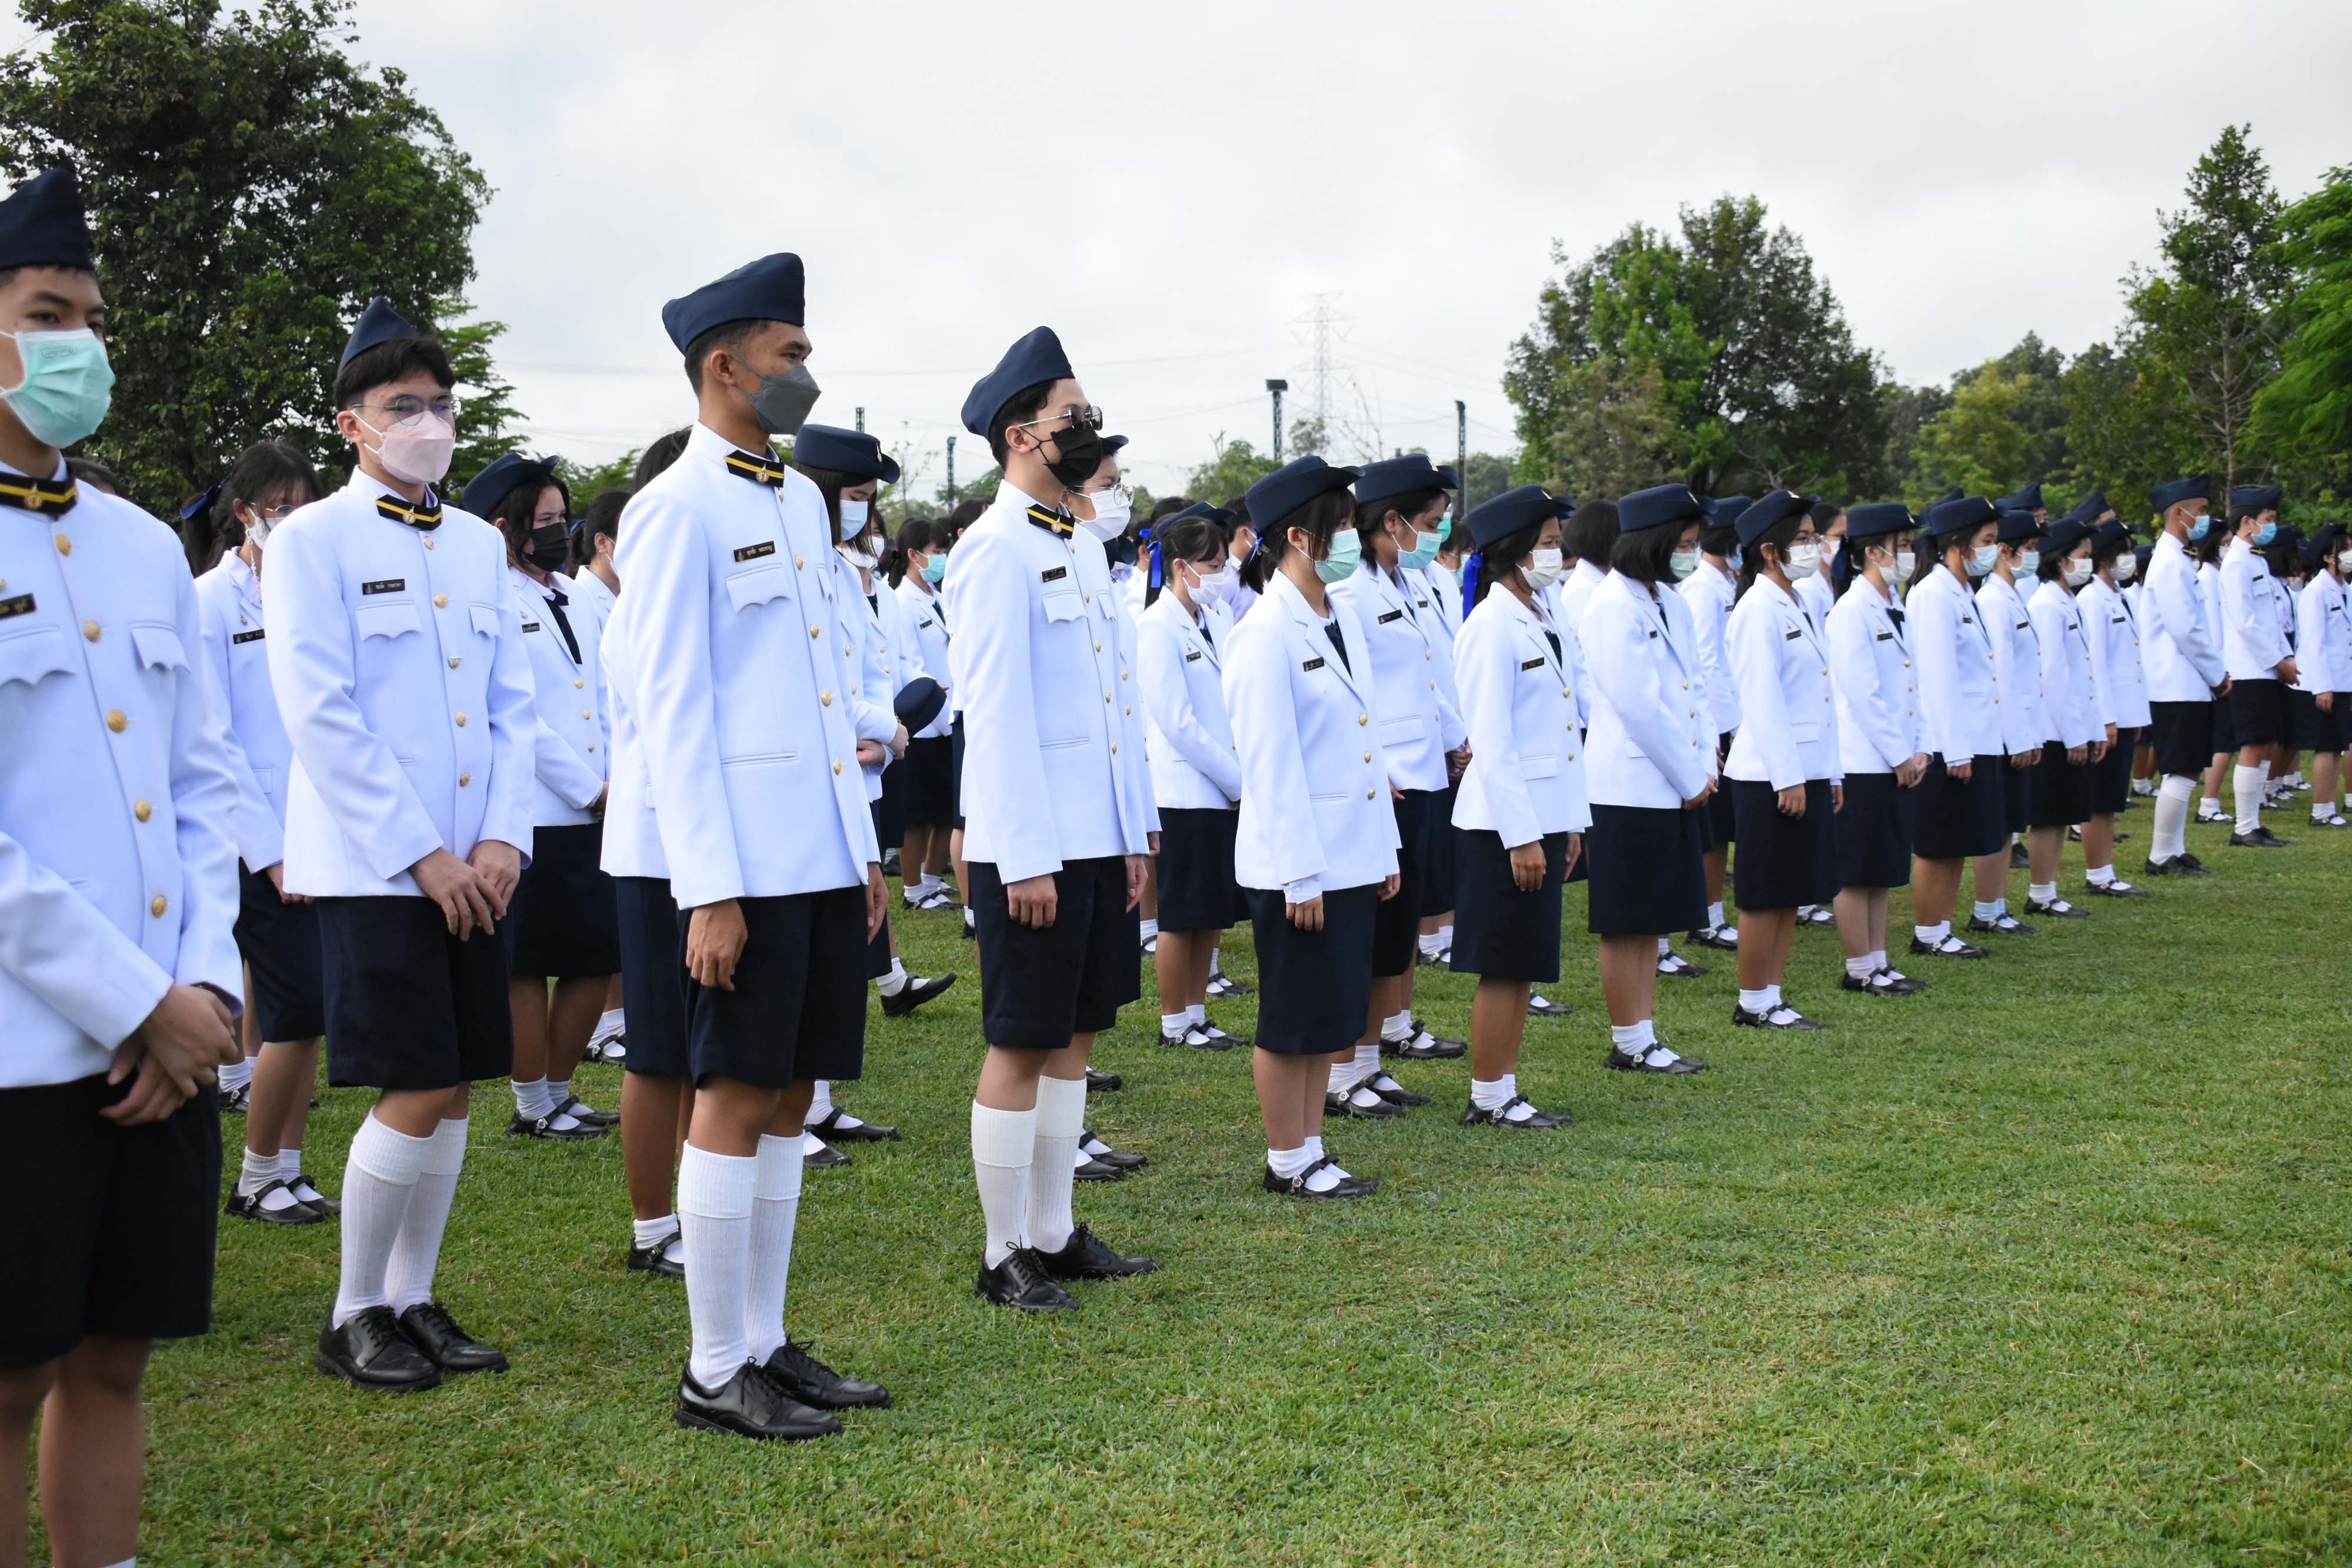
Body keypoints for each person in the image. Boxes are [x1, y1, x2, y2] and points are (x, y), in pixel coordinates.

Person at [0, 168, 243, 1568]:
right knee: (6, 1378)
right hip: (24, 1048)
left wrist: (203, 985)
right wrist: (136, 1001)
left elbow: (201, 782)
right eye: (47, 314)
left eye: (89, 318)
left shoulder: (145, 545)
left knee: (114, 1356)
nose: (79, 344)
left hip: (169, 1033)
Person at [618, 253, 892, 1439]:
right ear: (726, 365)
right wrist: (709, 891)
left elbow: (824, 691)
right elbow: (672, 711)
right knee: (731, 1097)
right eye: (790, 356)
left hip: (816, 856)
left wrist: (862, 848)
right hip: (743, 865)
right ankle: (712, 1365)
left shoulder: (795, 500)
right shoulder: (675, 506)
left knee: (787, 1098)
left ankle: (767, 1342)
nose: (804, 375)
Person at [269, 297, 532, 1392]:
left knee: (458, 1081)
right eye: (402, 405)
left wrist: (504, 838)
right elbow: (320, 711)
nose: (429, 422)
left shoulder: (475, 542)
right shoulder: (309, 540)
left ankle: (414, 1295)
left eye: (440, 403)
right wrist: (423, 853)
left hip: (477, 865)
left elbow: (511, 704)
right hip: (381, 867)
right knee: (413, 1082)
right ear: (350, 424)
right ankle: (354, 1310)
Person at [948, 326, 1156, 1311]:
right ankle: (1002, 1252)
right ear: (1021, 435)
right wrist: (1024, 857)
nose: (1088, 428)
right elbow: (993, 717)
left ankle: (1052, 1228)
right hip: (1032, 847)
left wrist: (1131, 834)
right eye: (1073, 416)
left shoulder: (1075, 543)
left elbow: (1112, 711)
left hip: (1092, 840)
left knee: (1074, 1038)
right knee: (1022, 1042)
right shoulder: (992, 551)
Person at [1227, 457, 1399, 1194]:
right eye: (1344, 526)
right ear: (1299, 537)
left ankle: (1312, 1147)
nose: (1355, 537)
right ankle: (1287, 1159)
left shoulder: (1338, 616)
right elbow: (1270, 765)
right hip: (1299, 862)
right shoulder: (1265, 632)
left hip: (1351, 853)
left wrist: (1385, 847)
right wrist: (1300, 872)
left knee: (1329, 1013)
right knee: (1293, 1017)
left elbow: (1365, 739)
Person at [189, 442, 340, 1222]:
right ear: (244, 511)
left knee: (307, 1013)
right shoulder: (207, 603)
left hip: (314, 829)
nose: (295, 520)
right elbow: (213, 740)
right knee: (294, 1008)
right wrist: (273, 854)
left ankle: (287, 1167)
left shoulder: (308, 589)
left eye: (306, 505)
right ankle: (256, 1177)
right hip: (253, 842)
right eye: (282, 506)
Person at [461, 454, 620, 1144]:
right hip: (535, 810)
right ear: (506, 528)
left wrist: (615, 777)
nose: (561, 531)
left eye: (563, 517)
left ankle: (558, 1089)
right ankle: (532, 1101)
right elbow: (519, 717)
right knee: (528, 962)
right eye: (546, 520)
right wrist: (590, 788)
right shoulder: (491, 597)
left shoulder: (575, 595)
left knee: (594, 956)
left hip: (597, 805)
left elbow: (600, 692)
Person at [1327, 454, 1469, 1119]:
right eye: (1430, 523)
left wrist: (1455, 736)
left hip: (1425, 771)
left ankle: (1370, 1060)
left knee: (1400, 926)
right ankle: (1342, 1071)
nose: (1436, 535)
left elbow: (1426, 676)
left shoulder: (1406, 582)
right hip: (1388, 780)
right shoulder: (1351, 593)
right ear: (1391, 522)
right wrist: (1372, 767)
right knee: (1374, 927)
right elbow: (1346, 693)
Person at [1447, 485, 1585, 1125]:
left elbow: (1560, 727)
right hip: (1503, 826)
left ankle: (1504, 1087)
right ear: (1516, 551)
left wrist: (1569, 822)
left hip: (1543, 815)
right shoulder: (1489, 625)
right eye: (1549, 543)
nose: (1558, 552)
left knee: (1524, 960)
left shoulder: (1542, 613)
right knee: (1503, 964)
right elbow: (1493, 741)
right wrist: (1522, 836)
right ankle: (1489, 1097)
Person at [1581, 484, 1717, 1073]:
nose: (1690, 554)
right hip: (1630, 786)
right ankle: (1630, 1040)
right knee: (1628, 918)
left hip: (1676, 779)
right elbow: (1638, 705)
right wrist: (1690, 776)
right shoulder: (1612, 604)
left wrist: (1706, 763)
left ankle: (1644, 1034)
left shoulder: (1668, 599)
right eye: (1682, 544)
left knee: (1653, 918)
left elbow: (1693, 687)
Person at [1720, 491, 1840, 1029]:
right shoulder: (1756, 609)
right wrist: (1787, 778)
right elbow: (1762, 700)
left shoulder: (1795, 601)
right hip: (1768, 775)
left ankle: (1772, 994)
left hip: (1804, 768)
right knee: (1764, 892)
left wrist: (1828, 772)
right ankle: (1753, 1001)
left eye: (1814, 537)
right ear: (1769, 551)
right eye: (1803, 539)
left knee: (1790, 890)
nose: (1814, 547)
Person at [1138, 504, 1249, 1050]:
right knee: (1181, 916)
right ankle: (1173, 1021)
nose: (1221, 574)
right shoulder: (1157, 626)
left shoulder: (1217, 617)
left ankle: (1198, 1012)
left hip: (1222, 786)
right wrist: (1236, 779)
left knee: (1211, 913)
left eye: (1224, 563)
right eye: (1212, 565)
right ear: (1180, 567)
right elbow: (1177, 723)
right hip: (1184, 790)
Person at [1824, 503, 1927, 995]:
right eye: (1901, 547)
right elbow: (1862, 693)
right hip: (1864, 760)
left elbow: (1912, 686)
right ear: (1872, 552)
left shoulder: (1894, 604)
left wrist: (1921, 747)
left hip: (1897, 758)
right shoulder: (1850, 610)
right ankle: (1859, 969)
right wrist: (1898, 754)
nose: (1908, 555)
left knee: (1883, 870)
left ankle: (1880, 961)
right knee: (1856, 871)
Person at [1905, 496, 2007, 959]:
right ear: (1956, 544)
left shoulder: (1962, 592)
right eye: (1986, 541)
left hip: (1976, 736)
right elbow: (1936, 678)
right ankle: (1928, 932)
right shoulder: (1932, 594)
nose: (1992, 550)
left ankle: (1941, 928)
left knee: (1957, 840)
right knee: (1939, 841)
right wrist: (1954, 749)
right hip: (1951, 741)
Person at [2140, 476, 2226, 876]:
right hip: (2177, 682)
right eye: (2202, 510)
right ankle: (2161, 855)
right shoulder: (2171, 561)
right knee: (2180, 768)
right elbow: (2186, 628)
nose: (2205, 517)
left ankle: (2174, 849)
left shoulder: (2177, 557)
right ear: (2179, 512)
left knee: (2187, 768)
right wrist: (2217, 674)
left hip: (2186, 681)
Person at [2021, 518, 2106, 918]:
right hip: (2053, 729)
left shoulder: (2066, 600)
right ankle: (2040, 892)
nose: (2088, 563)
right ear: (2060, 560)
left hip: (2072, 725)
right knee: (2048, 815)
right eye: (2082, 556)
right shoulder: (2045, 605)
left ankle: (2048, 890)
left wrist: (2091, 728)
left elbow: (2082, 673)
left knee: (2061, 814)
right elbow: (2052, 675)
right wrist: (2073, 735)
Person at [1970, 510, 2047, 935]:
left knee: (2008, 825)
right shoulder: (1993, 601)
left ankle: (1997, 906)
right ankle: (1986, 910)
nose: (2033, 557)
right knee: (1998, 825)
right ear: (2004, 551)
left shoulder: (2011, 596)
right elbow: (2000, 674)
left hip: (2021, 727)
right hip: (2002, 732)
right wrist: (2016, 738)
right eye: (2028, 549)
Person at [1679, 495, 1744, 954]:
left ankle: (1712, 912)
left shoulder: (1723, 583)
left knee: (1720, 830)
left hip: (1726, 720)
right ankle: (1705, 917)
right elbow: (1705, 662)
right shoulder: (1703, 588)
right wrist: (1721, 730)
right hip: (1715, 724)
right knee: (1713, 831)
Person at [2077, 517, 2153, 895]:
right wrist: (2106, 719)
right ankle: (2097, 875)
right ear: (2106, 557)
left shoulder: (2118, 595)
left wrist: (2134, 714)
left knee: (2111, 799)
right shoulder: (2092, 599)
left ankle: (2106, 871)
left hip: (2125, 712)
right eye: (2123, 551)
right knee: (2099, 798)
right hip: (2107, 716)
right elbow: (2096, 664)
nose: (2129, 558)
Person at [2219, 484, 2296, 848]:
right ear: (2248, 522)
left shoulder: (2256, 560)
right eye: (2268, 519)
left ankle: (2255, 819)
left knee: (2266, 742)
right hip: (2250, 668)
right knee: (2253, 744)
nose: (2272, 525)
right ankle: (2244, 826)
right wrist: (2277, 660)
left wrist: (2287, 657)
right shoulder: (2236, 562)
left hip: (2267, 667)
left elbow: (2272, 621)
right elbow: (2245, 623)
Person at [892, 515, 959, 910]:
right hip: (924, 721)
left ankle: (933, 881)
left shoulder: (938, 596)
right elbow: (908, 663)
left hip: (948, 717)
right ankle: (914, 889)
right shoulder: (902, 602)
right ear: (913, 555)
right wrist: (936, 703)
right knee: (917, 814)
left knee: (948, 810)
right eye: (937, 551)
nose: (943, 557)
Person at [2292, 523, 2351, 828]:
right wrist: (2323, 687)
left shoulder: (2344, 589)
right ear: (2329, 557)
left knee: (2337, 744)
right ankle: (2322, 811)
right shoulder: (2316, 591)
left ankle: (2328, 807)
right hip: (2325, 682)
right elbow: (2313, 643)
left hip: (2343, 679)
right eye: (2346, 549)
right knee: (2327, 746)